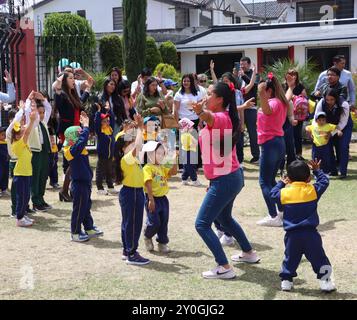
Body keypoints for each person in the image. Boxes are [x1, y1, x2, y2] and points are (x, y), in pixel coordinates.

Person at [192, 82, 260, 280]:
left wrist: (201, 113)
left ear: (220, 99)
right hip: (227, 177)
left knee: (202, 224)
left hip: (226, 179)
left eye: (210, 93)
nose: (206, 96)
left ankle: (224, 266)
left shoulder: (220, 118)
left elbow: (210, 117)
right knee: (225, 219)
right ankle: (248, 253)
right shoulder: (223, 118)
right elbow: (215, 149)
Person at [271, 160, 336, 293]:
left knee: (290, 258)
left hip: (292, 235)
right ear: (308, 178)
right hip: (310, 234)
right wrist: (317, 170)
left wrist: (281, 183)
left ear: (289, 179)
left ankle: (286, 281)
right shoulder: (312, 190)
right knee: (319, 258)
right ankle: (325, 281)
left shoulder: (284, 194)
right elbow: (325, 182)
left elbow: (272, 193)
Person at [114, 114, 150, 265]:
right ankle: (132, 253)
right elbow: (139, 145)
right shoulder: (126, 158)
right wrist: (141, 126)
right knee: (133, 224)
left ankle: (126, 250)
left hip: (134, 193)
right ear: (124, 147)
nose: (134, 142)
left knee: (128, 223)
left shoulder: (131, 159)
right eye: (131, 141)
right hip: (132, 193)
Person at [256, 73, 290, 227]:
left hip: (271, 143)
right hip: (277, 143)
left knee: (264, 181)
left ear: (269, 90)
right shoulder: (280, 101)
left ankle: (273, 215)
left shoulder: (274, 103)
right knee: (270, 180)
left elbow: (267, 111)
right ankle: (281, 211)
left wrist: (261, 92)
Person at [63, 112, 103, 242]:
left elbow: (81, 141)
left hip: (85, 183)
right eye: (79, 135)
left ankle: (89, 227)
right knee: (79, 209)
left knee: (86, 207)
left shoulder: (79, 148)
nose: (83, 136)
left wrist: (84, 125)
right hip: (78, 184)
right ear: (72, 138)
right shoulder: (70, 151)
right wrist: (85, 126)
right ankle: (75, 232)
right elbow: (81, 142)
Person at [54, 72, 92, 202]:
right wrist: (59, 83)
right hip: (68, 133)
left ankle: (66, 190)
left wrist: (87, 90)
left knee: (74, 161)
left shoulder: (72, 93)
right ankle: (65, 190)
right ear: (64, 81)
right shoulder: (62, 94)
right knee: (71, 161)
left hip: (76, 131)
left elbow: (80, 104)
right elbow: (57, 96)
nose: (73, 80)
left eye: (73, 78)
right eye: (70, 78)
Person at [142, 141, 178, 254]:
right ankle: (147, 236)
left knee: (164, 222)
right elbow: (147, 183)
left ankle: (162, 243)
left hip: (163, 199)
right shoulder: (147, 168)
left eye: (162, 154)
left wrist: (175, 159)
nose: (161, 156)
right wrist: (151, 200)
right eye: (158, 153)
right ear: (150, 154)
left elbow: (173, 172)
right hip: (152, 198)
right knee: (154, 222)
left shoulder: (162, 167)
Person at [314, 88, 352, 178]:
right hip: (326, 125)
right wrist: (316, 131)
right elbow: (316, 118)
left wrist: (332, 133)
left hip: (343, 126)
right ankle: (332, 170)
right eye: (327, 99)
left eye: (332, 99)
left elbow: (343, 122)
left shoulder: (344, 104)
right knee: (326, 145)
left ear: (336, 98)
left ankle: (343, 172)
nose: (329, 102)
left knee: (342, 146)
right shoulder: (321, 103)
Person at [25, 91, 53, 212]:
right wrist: (29, 100)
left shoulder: (43, 122)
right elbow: (27, 112)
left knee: (43, 176)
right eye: (38, 112)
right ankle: (35, 201)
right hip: (35, 152)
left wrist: (42, 99)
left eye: (42, 113)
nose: (41, 115)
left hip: (45, 151)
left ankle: (41, 198)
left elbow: (49, 108)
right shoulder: (32, 123)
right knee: (36, 177)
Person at [11, 107, 37, 227]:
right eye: (17, 134)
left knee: (26, 196)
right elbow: (26, 132)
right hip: (20, 174)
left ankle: (22, 214)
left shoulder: (23, 142)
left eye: (20, 132)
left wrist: (25, 112)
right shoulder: (17, 144)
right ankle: (19, 218)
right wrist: (31, 120)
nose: (20, 134)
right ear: (14, 136)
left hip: (26, 173)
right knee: (22, 197)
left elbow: (25, 130)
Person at [238, 57, 260, 164]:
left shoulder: (255, 74)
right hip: (240, 107)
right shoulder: (239, 75)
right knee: (239, 131)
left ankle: (256, 156)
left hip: (250, 107)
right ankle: (239, 156)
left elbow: (254, 86)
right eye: (241, 64)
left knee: (252, 132)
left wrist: (243, 76)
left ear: (249, 64)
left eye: (244, 64)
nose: (242, 66)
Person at [284, 69, 308, 161]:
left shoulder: (300, 86)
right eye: (290, 74)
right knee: (287, 134)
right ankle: (287, 153)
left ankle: (298, 153)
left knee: (297, 135)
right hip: (286, 114)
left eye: (294, 75)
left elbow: (305, 98)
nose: (292, 76)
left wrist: (297, 97)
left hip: (298, 115)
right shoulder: (284, 85)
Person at [94, 102, 116, 196]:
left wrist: (109, 110)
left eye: (107, 121)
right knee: (100, 171)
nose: (107, 122)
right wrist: (98, 112)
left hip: (110, 155)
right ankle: (100, 188)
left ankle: (110, 186)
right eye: (104, 121)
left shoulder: (110, 130)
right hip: (102, 155)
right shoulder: (100, 131)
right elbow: (96, 122)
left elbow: (113, 121)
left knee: (109, 171)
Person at [179, 118, 201, 186]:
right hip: (188, 152)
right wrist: (195, 142)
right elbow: (190, 144)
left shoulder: (186, 134)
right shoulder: (186, 135)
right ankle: (194, 179)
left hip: (188, 152)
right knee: (190, 166)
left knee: (187, 166)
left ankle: (184, 179)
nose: (192, 128)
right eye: (191, 126)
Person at [0, 127, 9, 197]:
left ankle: (4, 189)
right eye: (2, 134)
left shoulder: (6, 142)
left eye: (5, 134)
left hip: (5, 162)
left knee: (5, 175)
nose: (4, 136)